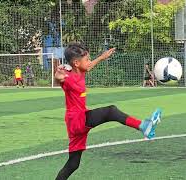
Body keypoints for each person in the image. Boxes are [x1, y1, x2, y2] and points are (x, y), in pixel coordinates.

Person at [54, 43, 162, 180]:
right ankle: (143, 126)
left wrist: (102, 57)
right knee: (111, 111)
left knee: (73, 164)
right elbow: (59, 78)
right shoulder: (68, 77)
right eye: (86, 60)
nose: (89, 62)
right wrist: (59, 70)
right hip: (77, 120)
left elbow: (89, 65)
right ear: (76, 63)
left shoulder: (80, 70)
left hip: (77, 122)